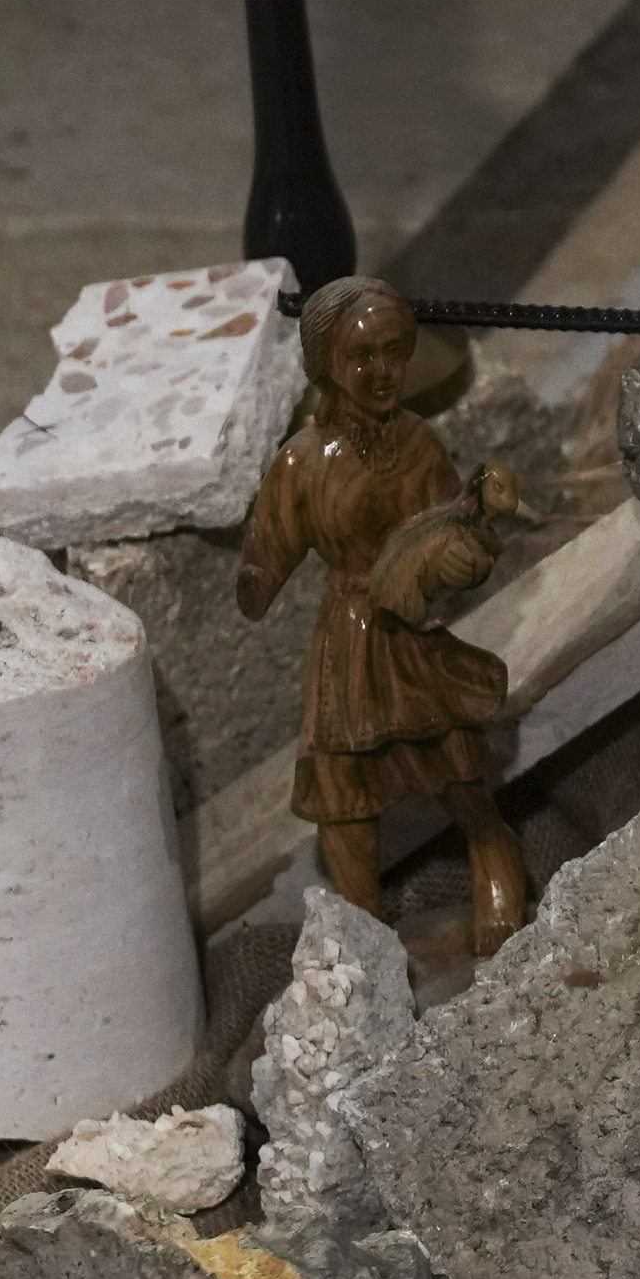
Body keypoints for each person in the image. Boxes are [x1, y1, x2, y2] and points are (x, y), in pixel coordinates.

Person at [236, 276, 534, 955]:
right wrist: (256, 558)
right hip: (349, 638)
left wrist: (470, 541)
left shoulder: (421, 445)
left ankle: (495, 855)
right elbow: (261, 576)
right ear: (326, 365)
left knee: (458, 767)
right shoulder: (302, 464)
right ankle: (365, 929)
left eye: (394, 353)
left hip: (410, 631)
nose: (381, 373)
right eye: (362, 356)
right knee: (343, 791)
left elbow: (453, 541)